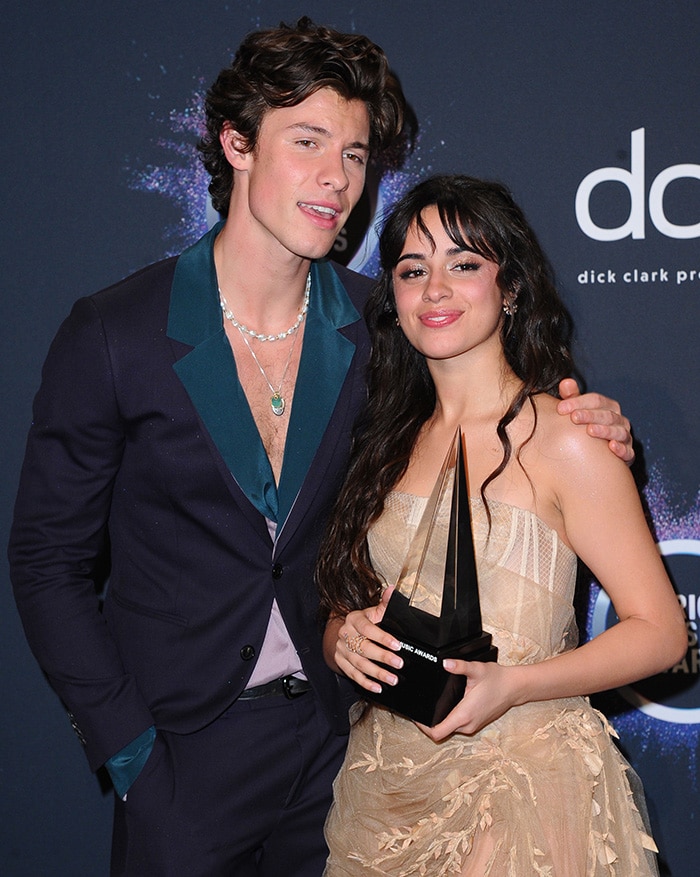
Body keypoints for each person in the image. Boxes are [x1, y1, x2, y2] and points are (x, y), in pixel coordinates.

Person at [8, 16, 634, 877]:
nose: (337, 180)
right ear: (236, 143)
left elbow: (499, 407)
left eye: (356, 154)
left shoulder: (385, 323)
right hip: (182, 760)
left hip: (345, 754)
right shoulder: (116, 333)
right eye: (308, 142)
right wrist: (130, 754)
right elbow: (47, 561)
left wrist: (596, 423)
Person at [317, 175, 687, 876]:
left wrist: (515, 684)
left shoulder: (568, 439)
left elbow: (662, 630)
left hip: (524, 790)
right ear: (391, 297)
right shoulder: (383, 442)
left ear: (509, 287)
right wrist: (344, 637)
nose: (435, 290)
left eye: (464, 264)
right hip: (387, 792)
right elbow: (347, 599)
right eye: (412, 269)